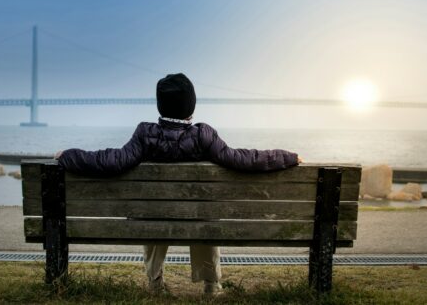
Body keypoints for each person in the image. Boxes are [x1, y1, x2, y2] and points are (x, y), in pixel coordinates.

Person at [55, 73, 301, 295]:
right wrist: (287, 157)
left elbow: (111, 161)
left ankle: (154, 282)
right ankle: (211, 285)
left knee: (151, 214)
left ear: (160, 105)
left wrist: (68, 156)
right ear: (191, 106)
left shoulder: (145, 134)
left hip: (154, 217)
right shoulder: (203, 135)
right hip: (196, 217)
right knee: (204, 217)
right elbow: (242, 159)